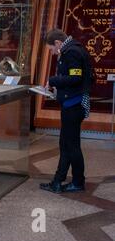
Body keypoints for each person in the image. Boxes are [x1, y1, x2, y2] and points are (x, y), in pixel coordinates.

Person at [40, 29, 93, 194]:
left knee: (71, 145)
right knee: (66, 144)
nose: (53, 53)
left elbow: (75, 77)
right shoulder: (73, 49)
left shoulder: (72, 52)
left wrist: (52, 80)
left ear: (57, 43)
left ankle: (78, 181)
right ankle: (58, 180)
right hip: (71, 102)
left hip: (74, 104)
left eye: (52, 49)